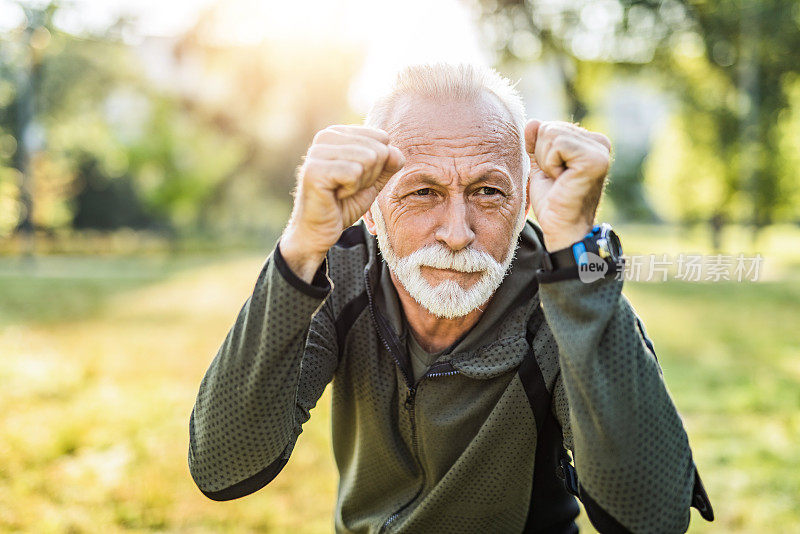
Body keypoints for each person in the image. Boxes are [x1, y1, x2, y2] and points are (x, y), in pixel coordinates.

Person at [188, 63, 713, 533]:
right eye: (423, 192)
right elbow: (222, 464)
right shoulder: (340, 270)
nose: (458, 233)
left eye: (488, 191)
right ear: (371, 210)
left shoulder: (564, 289)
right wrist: (299, 248)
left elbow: (652, 517)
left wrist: (579, 253)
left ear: (525, 201)